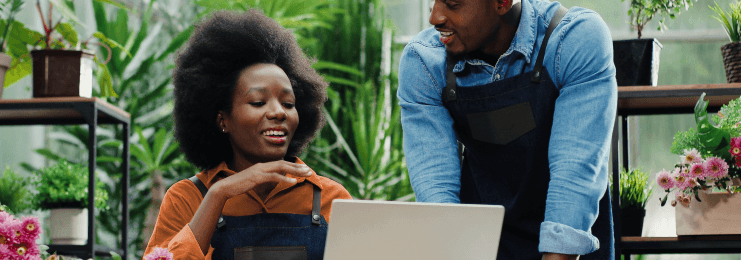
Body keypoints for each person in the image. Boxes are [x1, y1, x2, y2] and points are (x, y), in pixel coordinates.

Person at [397, 0, 617, 259]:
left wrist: (559, 254)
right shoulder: (423, 61)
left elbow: (575, 169)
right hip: (481, 239)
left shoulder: (573, 38)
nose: (435, 17)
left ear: (501, 3)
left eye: (453, 4)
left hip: (571, 234)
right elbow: (437, 189)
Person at [143, 10, 352, 260]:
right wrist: (218, 194)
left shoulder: (331, 198)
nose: (278, 112)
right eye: (257, 102)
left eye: (288, 103)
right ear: (223, 119)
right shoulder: (187, 198)